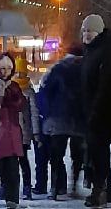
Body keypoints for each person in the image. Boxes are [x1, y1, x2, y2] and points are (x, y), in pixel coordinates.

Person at [80, 15, 111, 207]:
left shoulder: (107, 52)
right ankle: (103, 188)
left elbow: (105, 85)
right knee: (96, 151)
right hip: (92, 109)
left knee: (99, 152)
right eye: (85, 31)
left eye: (91, 31)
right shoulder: (92, 50)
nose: (87, 34)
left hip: (102, 111)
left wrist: (95, 110)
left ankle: (101, 190)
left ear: (99, 32)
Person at [35, 42, 85, 199]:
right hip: (79, 119)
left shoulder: (58, 68)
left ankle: (56, 188)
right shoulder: (86, 69)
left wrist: (48, 114)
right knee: (77, 157)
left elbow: (45, 91)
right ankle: (74, 185)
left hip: (58, 118)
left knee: (56, 156)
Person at [0, 52, 24, 209]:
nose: (6, 72)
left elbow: (20, 104)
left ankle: (12, 198)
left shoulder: (14, 86)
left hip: (12, 131)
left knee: (12, 168)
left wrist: (12, 96)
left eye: (9, 68)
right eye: (2, 68)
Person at [14, 53, 40, 201]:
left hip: (23, 133)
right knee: (10, 163)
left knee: (23, 161)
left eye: (22, 72)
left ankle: (27, 187)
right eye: (17, 72)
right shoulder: (9, 88)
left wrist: (35, 132)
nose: (19, 75)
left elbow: (34, 114)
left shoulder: (29, 92)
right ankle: (10, 187)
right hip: (10, 133)